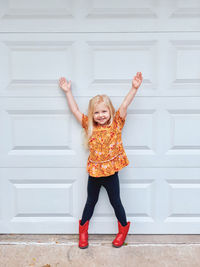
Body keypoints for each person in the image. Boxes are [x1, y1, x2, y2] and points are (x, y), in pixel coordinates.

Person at [59, 72, 143, 249]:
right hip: (94, 174)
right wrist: (68, 92)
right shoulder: (88, 124)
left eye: (104, 111)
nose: (101, 115)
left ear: (110, 111)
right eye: (96, 112)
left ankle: (122, 230)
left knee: (116, 202)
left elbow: (125, 104)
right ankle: (83, 233)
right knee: (90, 202)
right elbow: (74, 110)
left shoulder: (116, 123)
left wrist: (134, 88)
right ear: (92, 115)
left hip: (111, 174)